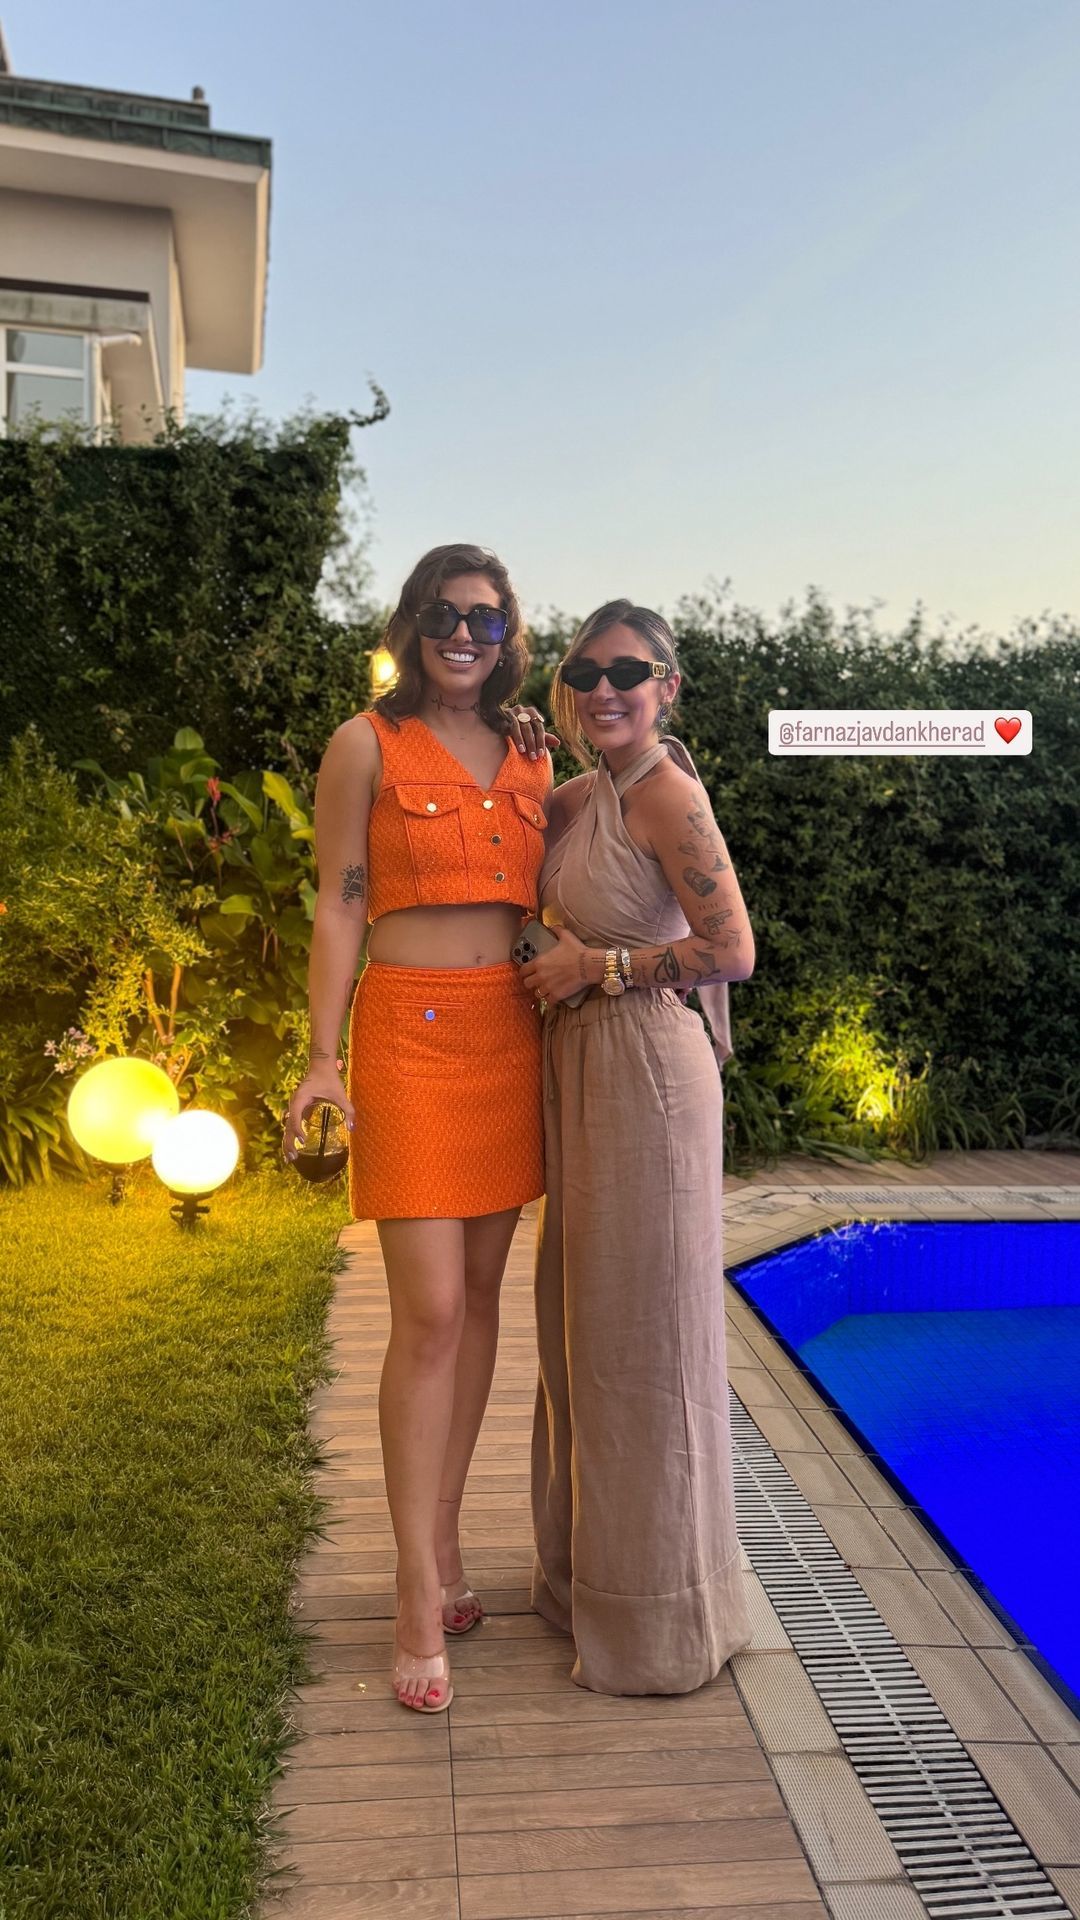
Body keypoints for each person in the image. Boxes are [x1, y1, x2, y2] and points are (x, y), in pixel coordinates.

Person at [284, 544, 551, 1714]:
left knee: (482, 1304)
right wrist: (321, 1058)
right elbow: (340, 903)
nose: (462, 635)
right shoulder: (365, 744)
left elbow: (567, 872)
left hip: (510, 1033)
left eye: (484, 620)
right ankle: (408, 1585)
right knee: (431, 1312)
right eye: (443, 614)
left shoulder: (533, 750)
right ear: (413, 622)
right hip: (408, 1032)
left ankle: (443, 1546)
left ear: (507, 638)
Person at [519, 599, 754, 1694]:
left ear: (667, 685)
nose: (605, 690)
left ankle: (661, 1618)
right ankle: (586, 1585)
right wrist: (520, 750)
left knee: (644, 1343)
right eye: (585, 673)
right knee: (581, 1329)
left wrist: (597, 968)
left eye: (628, 671)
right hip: (580, 1074)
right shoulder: (576, 796)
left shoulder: (669, 795)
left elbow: (730, 950)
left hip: (649, 1073)